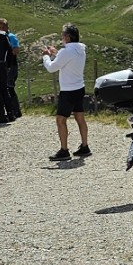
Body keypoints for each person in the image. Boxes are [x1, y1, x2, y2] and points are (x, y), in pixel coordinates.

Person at [42, 23, 91, 162]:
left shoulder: (66, 52)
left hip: (68, 90)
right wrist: (56, 53)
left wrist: (46, 56)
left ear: (68, 37)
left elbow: (52, 68)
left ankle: (64, 150)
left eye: (63, 35)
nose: (62, 37)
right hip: (79, 88)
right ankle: (85, 146)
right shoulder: (80, 49)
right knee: (80, 118)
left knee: (61, 120)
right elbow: (69, 59)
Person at [0, 17, 21, 120]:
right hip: (3, 67)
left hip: (11, 66)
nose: (1, 29)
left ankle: (16, 111)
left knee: (9, 87)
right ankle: (11, 111)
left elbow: (16, 51)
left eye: (2, 27)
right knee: (5, 88)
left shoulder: (11, 37)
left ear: (6, 27)